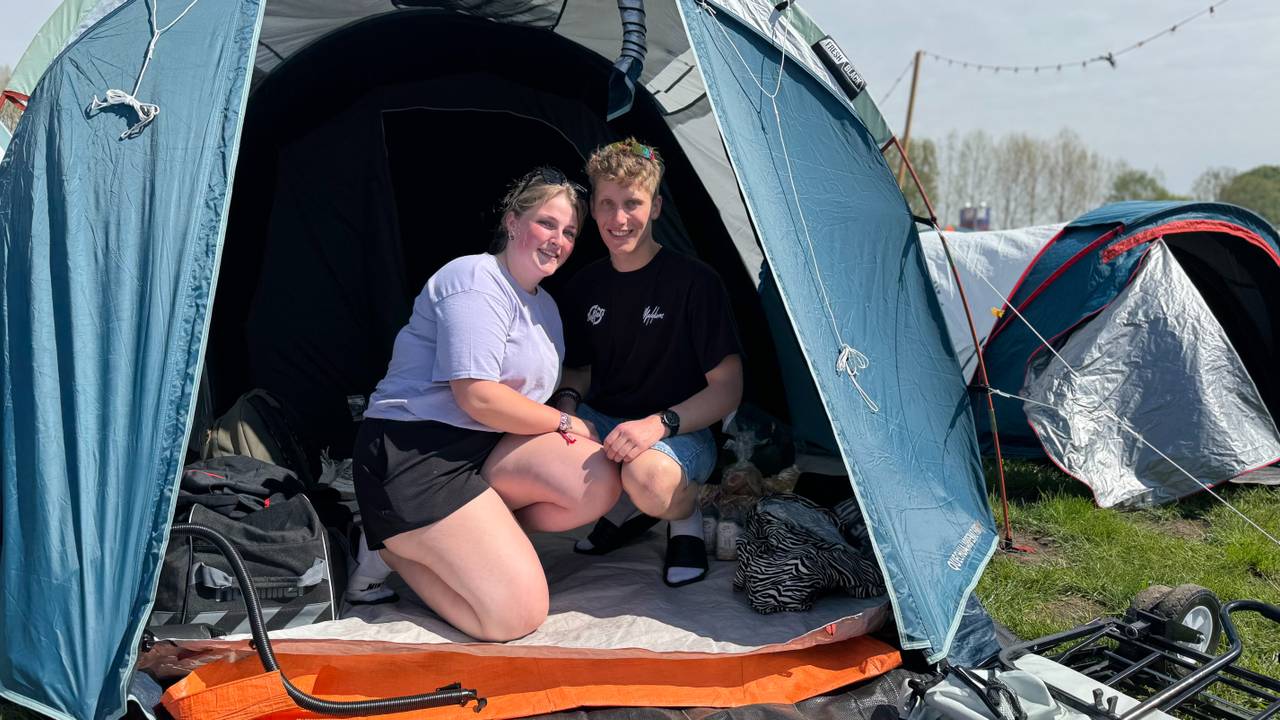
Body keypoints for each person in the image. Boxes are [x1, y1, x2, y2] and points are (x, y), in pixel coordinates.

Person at [344, 167, 622, 642]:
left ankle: (475, 539)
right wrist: (563, 420)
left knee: (595, 480)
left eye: (570, 231)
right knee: (516, 617)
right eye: (547, 223)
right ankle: (386, 547)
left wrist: (569, 405)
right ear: (513, 222)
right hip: (414, 456)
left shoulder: (546, 307)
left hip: (481, 450)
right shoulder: (474, 278)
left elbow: (529, 393)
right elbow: (478, 396)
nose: (558, 239)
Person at [554, 138, 744, 587]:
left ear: (656, 207)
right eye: (607, 204)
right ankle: (628, 506)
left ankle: (684, 517)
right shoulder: (585, 285)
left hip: (680, 431)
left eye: (632, 203)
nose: (619, 219)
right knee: (536, 454)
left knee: (651, 479)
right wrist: (564, 406)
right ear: (593, 212)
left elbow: (728, 387)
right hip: (606, 420)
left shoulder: (695, 282)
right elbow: (580, 369)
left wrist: (657, 424)